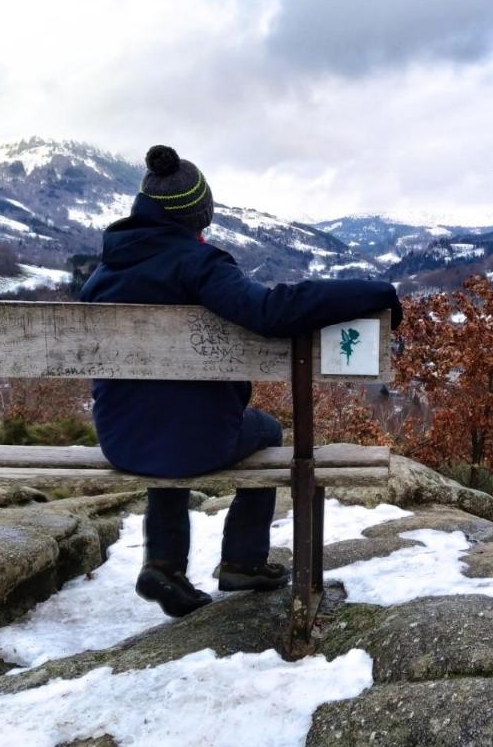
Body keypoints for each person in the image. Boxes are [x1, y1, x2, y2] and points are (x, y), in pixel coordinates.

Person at [80, 144, 401, 618]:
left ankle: (164, 563)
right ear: (198, 214)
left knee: (160, 426)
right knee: (265, 430)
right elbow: (271, 312)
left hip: (120, 440)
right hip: (196, 442)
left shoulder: (103, 274)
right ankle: (242, 561)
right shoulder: (197, 265)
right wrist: (376, 292)